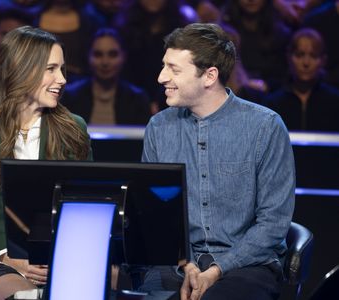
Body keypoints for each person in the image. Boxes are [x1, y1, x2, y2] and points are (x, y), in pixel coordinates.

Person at [141, 23, 295, 300]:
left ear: (209, 75)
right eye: (164, 66)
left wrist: (216, 270)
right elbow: (156, 215)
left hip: (246, 265)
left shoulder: (265, 127)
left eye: (174, 69)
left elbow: (273, 222)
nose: (161, 77)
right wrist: (185, 264)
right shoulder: (158, 128)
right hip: (176, 265)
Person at [0, 26, 92, 299]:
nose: (62, 79)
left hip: (57, 257)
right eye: (51, 69)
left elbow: (85, 207)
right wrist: (10, 257)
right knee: (25, 296)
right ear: (23, 70)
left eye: (62, 69)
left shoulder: (74, 129)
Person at [61, 27, 151, 125]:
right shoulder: (69, 96)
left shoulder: (137, 99)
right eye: (98, 54)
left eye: (112, 54)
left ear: (124, 57)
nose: (105, 62)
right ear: (88, 57)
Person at [265, 28, 339, 132]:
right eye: (300, 55)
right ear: (289, 57)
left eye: (313, 56)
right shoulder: (273, 104)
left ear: (323, 60)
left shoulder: (335, 102)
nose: (306, 63)